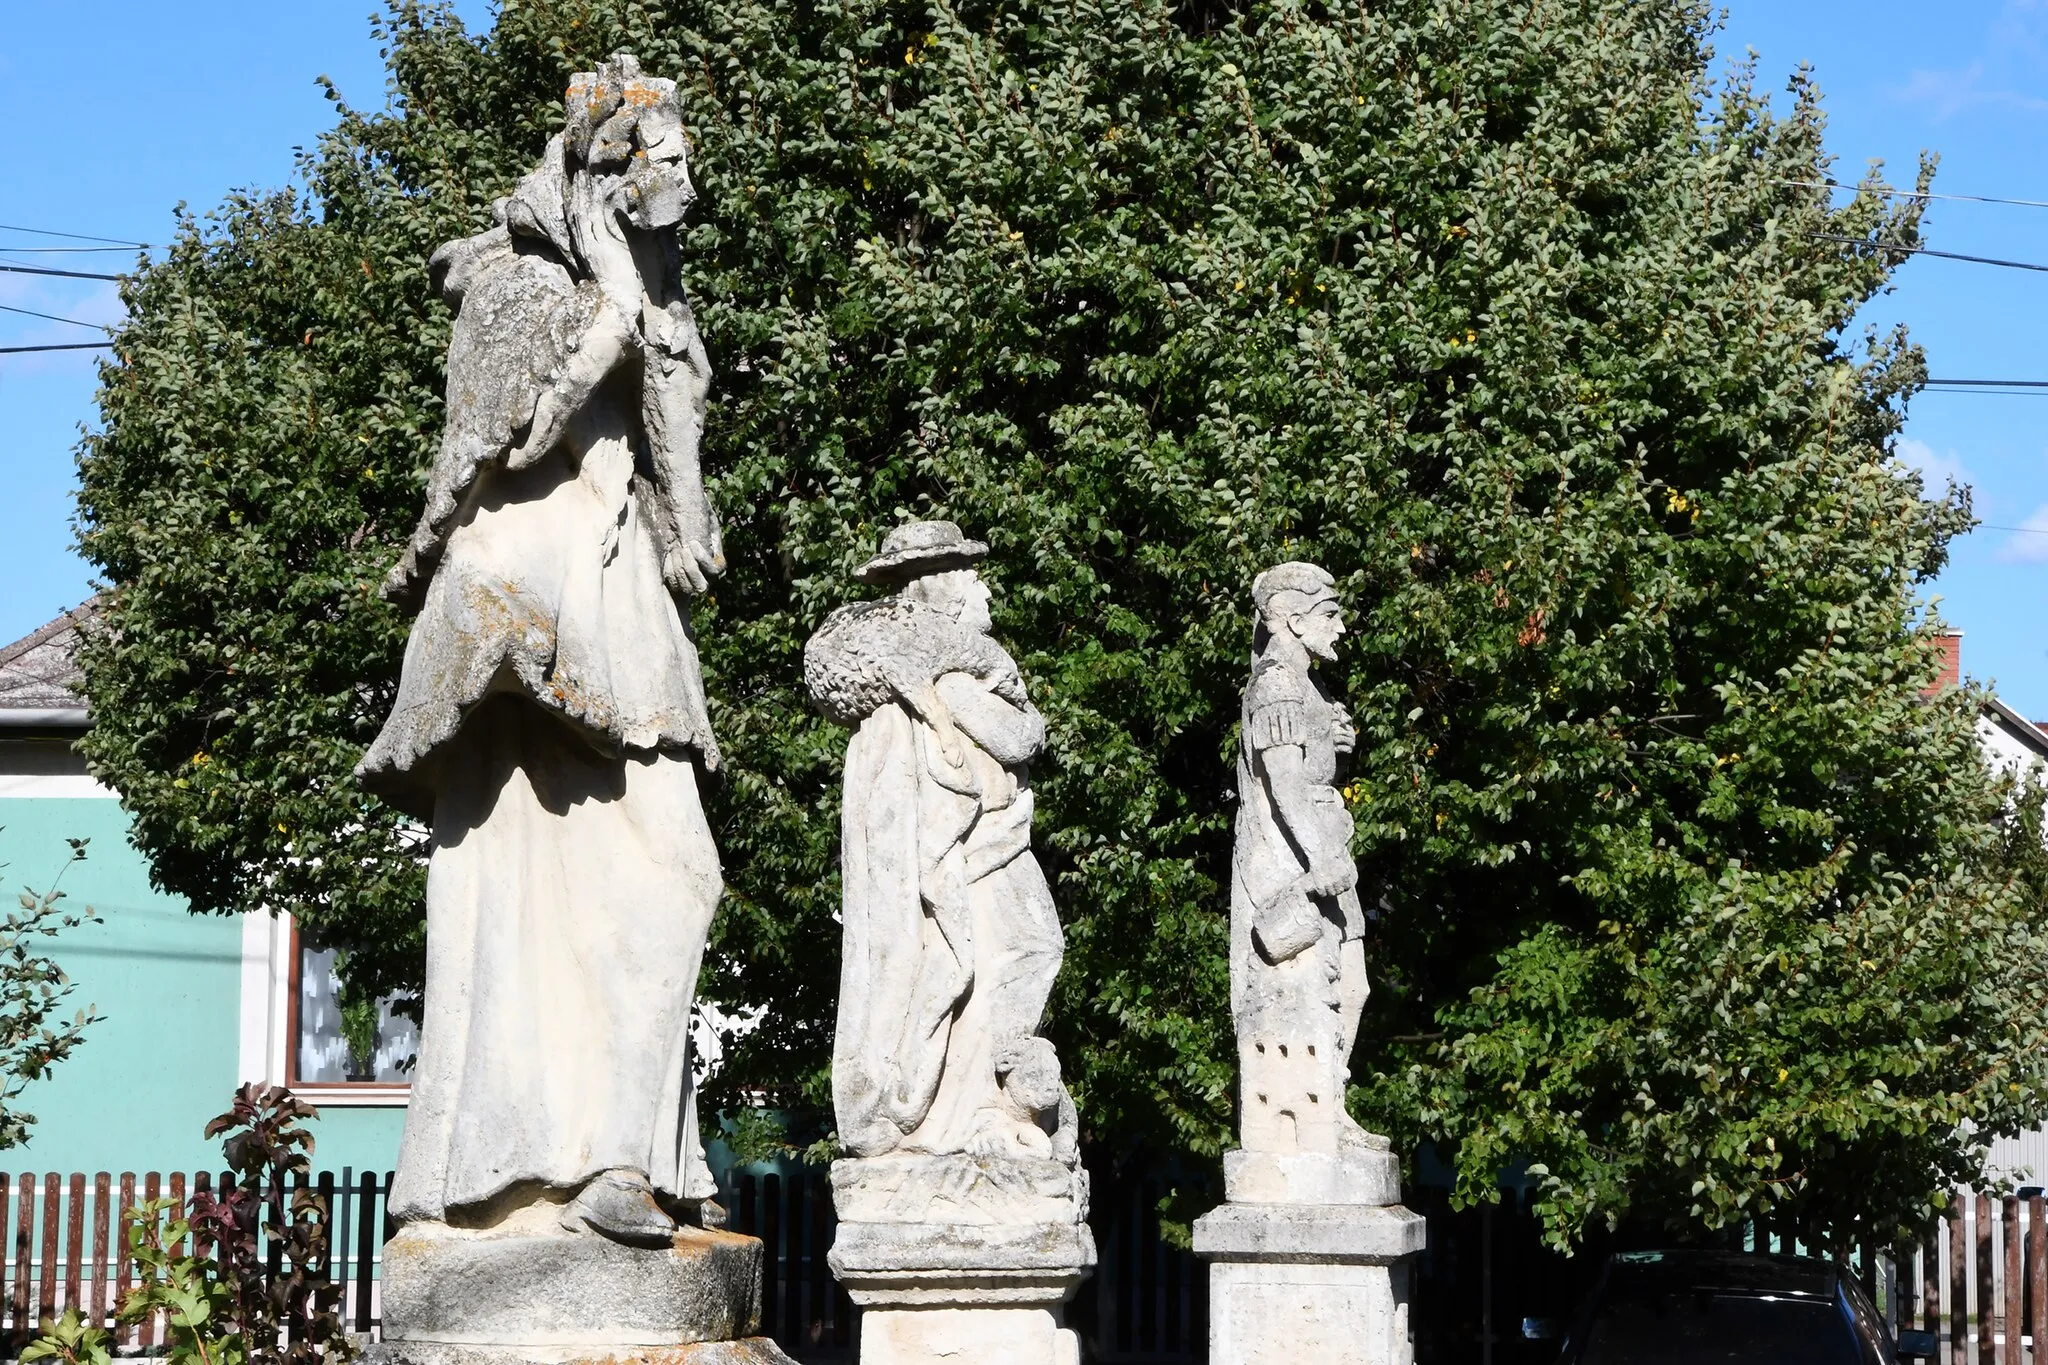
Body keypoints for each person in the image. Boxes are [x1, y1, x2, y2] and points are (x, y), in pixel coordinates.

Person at [357, 54, 725, 1247]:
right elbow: (504, 446)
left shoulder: (654, 295)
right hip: (536, 591)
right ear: (609, 174)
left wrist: (688, 521)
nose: (686, 180)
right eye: (665, 160)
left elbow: (671, 416)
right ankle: (571, 1162)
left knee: (677, 877)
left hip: (622, 599)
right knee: (538, 889)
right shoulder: (520, 285)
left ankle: (643, 1149)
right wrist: (615, 313)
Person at [811, 521, 1077, 1163]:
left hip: (980, 841)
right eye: (970, 573)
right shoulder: (954, 678)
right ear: (942, 588)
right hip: (965, 849)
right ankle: (975, 1102)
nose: (983, 587)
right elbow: (1018, 740)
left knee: (1015, 950)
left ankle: (992, 1091)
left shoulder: (946, 675)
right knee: (1014, 947)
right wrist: (1008, 701)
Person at [1232, 561, 1376, 1155]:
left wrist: (1330, 745)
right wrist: (1325, 862)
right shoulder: (1278, 684)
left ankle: (1329, 1103)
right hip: (1289, 864)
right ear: (1291, 618)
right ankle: (1303, 1128)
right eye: (1330, 614)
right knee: (1303, 990)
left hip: (1318, 852)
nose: (1341, 627)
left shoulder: (1305, 687)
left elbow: (1306, 772)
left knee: (1354, 985)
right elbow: (1284, 786)